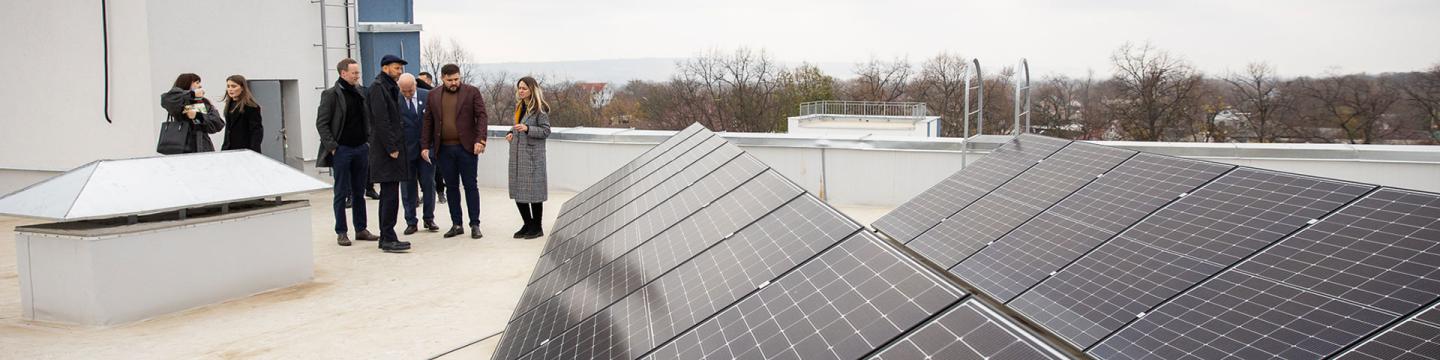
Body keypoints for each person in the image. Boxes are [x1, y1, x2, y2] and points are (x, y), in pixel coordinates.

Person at [316, 58, 380, 246]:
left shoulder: (361, 92)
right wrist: (333, 147)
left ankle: (361, 229)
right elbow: (322, 123)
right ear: (343, 73)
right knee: (341, 192)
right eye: (354, 73)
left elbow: (368, 118)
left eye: (358, 73)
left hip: (361, 148)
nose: (357, 76)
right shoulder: (331, 95)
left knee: (359, 191)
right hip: (342, 150)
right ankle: (341, 231)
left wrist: (368, 142)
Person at [421, 63, 488, 239]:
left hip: (467, 148)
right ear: (442, 78)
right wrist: (425, 145)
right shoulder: (433, 95)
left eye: (457, 79)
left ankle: (475, 224)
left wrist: (480, 140)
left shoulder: (471, 92)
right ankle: (456, 224)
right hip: (444, 149)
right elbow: (428, 121)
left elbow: (482, 116)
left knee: (470, 186)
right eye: (450, 80)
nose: (454, 82)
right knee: (451, 187)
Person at [367, 55, 413, 253]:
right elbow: (382, 120)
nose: (399, 72)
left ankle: (387, 235)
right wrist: (391, 147)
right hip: (386, 151)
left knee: (390, 194)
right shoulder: (378, 87)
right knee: (389, 196)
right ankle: (387, 237)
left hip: (391, 149)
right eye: (396, 68)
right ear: (385, 68)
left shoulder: (388, 86)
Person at [506, 76, 551, 239]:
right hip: (518, 154)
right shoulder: (520, 107)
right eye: (519, 88)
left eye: (524, 88)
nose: (521, 91)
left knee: (534, 192)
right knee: (518, 190)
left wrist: (527, 128)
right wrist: (511, 133)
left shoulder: (540, 109)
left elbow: (546, 131)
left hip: (532, 156)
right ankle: (527, 223)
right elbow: (516, 126)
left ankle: (537, 226)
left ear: (532, 89)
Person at [397, 73, 439, 235]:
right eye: (404, 91)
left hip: (426, 150)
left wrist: (433, 148)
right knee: (407, 187)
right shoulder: (396, 99)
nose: (407, 94)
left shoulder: (428, 96)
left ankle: (429, 218)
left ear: (416, 85)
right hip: (405, 151)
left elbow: (436, 123)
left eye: (410, 90)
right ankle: (410, 221)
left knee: (428, 184)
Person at [159, 73, 225, 153]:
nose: (200, 86)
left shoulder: (203, 102)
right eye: (197, 82)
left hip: (202, 146)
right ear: (186, 83)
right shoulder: (177, 100)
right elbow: (166, 99)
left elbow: (218, 123)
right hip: (181, 146)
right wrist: (192, 94)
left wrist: (197, 116)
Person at [221, 75, 263, 153]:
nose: (230, 89)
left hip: (244, 149)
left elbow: (256, 131)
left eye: (234, 86)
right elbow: (228, 129)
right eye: (228, 86)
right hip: (229, 148)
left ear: (242, 88)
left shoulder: (251, 106)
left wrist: (253, 151)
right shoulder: (229, 104)